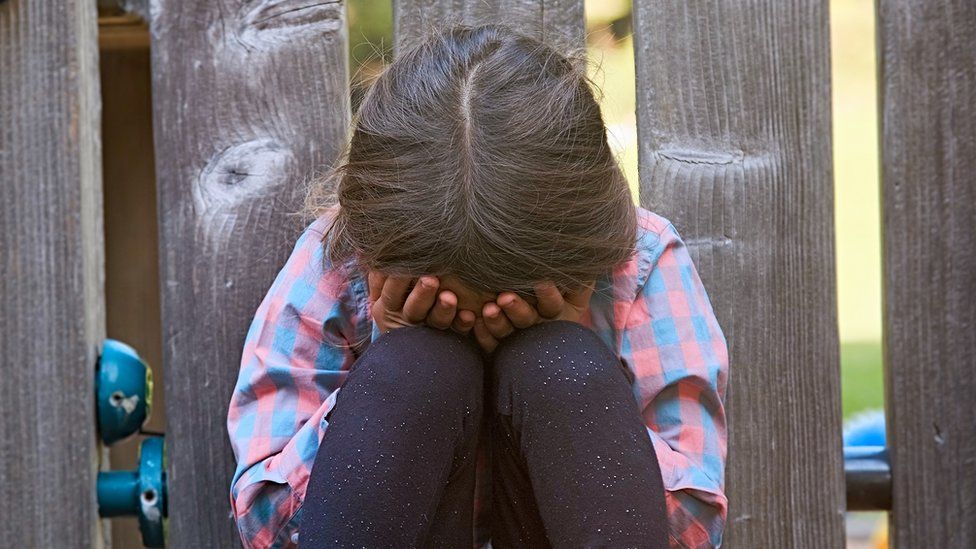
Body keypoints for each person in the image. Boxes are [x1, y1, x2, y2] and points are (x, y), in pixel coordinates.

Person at [227, 23, 728, 549]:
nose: (477, 333)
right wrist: (391, 359)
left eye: (507, 310)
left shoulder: (639, 259)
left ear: (578, 258)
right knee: (416, 371)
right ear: (375, 245)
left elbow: (695, 527)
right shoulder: (343, 253)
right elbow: (265, 522)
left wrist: (567, 382)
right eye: (448, 313)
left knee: (561, 368)